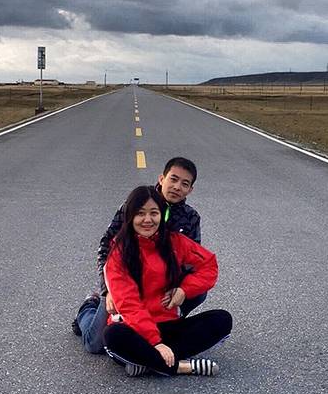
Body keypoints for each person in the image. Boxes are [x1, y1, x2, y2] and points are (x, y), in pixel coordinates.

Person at [72, 156, 204, 354]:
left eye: (185, 184)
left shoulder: (190, 217)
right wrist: (107, 291)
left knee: (199, 292)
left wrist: (181, 289)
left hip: (162, 288)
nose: (177, 187)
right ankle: (89, 307)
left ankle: (167, 325)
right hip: (126, 285)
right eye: (173, 179)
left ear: (190, 190)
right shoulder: (136, 204)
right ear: (162, 178)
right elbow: (106, 246)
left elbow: (193, 263)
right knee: (96, 344)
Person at [102, 185, 232, 378]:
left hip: (168, 322)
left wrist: (184, 290)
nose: (147, 220)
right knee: (112, 336)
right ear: (130, 216)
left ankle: (148, 362)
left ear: (161, 215)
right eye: (140, 213)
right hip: (135, 327)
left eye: (154, 213)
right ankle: (181, 366)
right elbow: (128, 304)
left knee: (222, 319)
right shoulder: (119, 253)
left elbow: (209, 264)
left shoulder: (175, 241)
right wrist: (155, 342)